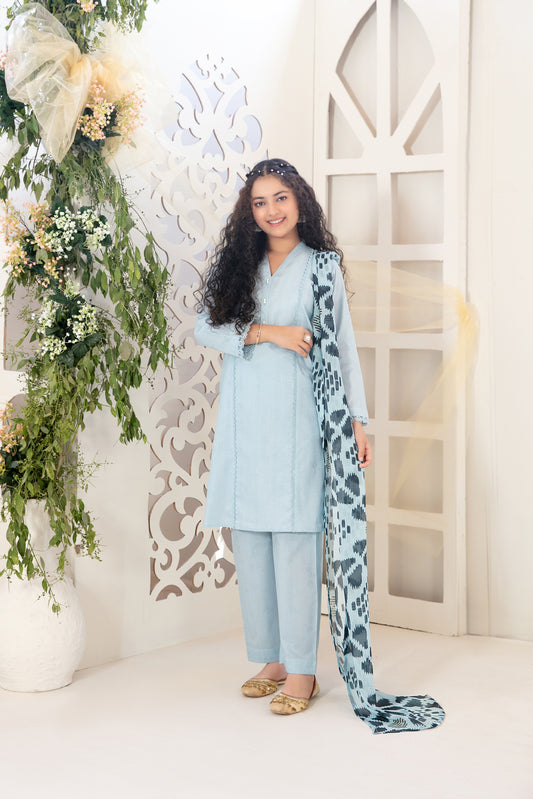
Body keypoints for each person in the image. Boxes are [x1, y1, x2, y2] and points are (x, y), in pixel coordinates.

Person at [194, 158, 371, 716]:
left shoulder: (322, 267)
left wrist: (357, 420)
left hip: (299, 423)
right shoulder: (239, 267)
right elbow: (205, 326)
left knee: (295, 544)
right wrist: (268, 333)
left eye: (280, 198)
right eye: (259, 202)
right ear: (249, 212)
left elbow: (342, 346)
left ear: (300, 201)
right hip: (245, 425)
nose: (271, 210)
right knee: (252, 544)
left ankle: (302, 672)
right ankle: (271, 661)